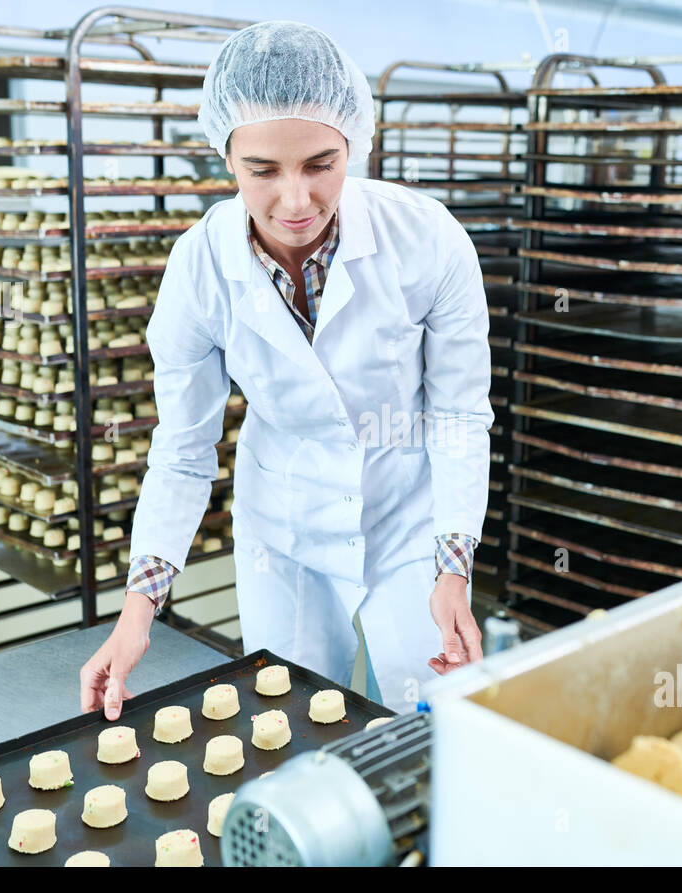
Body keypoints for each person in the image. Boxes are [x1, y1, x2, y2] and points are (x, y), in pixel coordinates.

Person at [79, 20, 492, 720]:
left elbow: (457, 414)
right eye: (263, 171)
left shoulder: (428, 239)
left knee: (428, 718)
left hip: (405, 520)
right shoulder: (200, 267)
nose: (295, 201)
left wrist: (453, 568)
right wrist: (136, 616)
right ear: (227, 157)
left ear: (354, 144)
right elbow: (181, 453)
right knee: (287, 724)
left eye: (321, 165)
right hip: (286, 532)